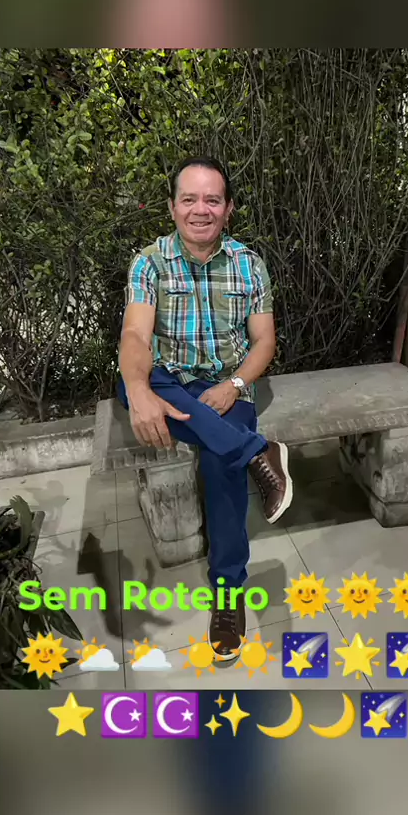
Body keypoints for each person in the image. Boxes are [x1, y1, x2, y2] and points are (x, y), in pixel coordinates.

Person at [117, 156, 293, 660]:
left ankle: (228, 592)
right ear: (172, 207)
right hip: (169, 379)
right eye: (189, 199)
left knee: (220, 462)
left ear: (228, 209)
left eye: (212, 200)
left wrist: (235, 384)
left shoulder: (248, 264)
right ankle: (258, 453)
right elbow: (135, 335)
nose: (201, 210)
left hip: (225, 384)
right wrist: (140, 391)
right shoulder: (149, 263)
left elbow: (264, 341)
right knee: (132, 382)